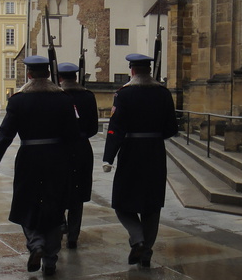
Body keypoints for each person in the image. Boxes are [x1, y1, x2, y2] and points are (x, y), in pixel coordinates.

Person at [0, 56, 80, 276]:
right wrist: (75, 164)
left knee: (26, 205)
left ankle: (35, 245)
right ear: (48, 74)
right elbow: (74, 136)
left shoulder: (18, 100)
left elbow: (5, 136)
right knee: (54, 208)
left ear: (29, 75)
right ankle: (51, 260)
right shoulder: (64, 99)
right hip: (57, 158)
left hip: (29, 158)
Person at [103, 53, 178, 268]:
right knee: (151, 205)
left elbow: (115, 128)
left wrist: (108, 157)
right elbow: (172, 128)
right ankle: (145, 253)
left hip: (131, 152)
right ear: (149, 71)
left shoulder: (124, 94)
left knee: (121, 201)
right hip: (154, 152)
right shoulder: (163, 94)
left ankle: (137, 239)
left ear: (132, 71)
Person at [58, 62, 98, 249]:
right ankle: (73, 235)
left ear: (59, 78)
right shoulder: (88, 96)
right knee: (78, 192)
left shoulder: (56, 96)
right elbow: (93, 128)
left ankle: (60, 224)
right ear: (76, 76)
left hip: (60, 147)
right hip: (82, 147)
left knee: (59, 189)